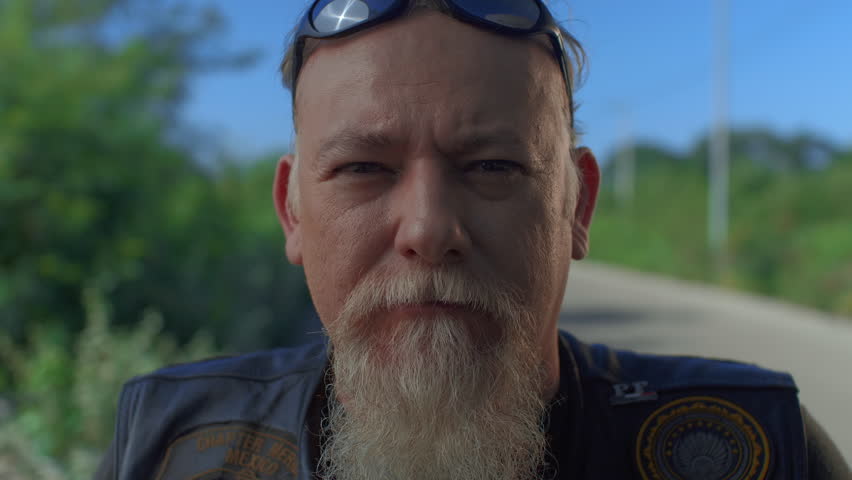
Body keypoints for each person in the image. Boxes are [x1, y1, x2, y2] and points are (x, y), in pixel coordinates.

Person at [95, 0, 851, 478]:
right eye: (363, 167)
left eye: (493, 166)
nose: (427, 229)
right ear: (293, 213)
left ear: (577, 204)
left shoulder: (760, 449)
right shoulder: (166, 444)